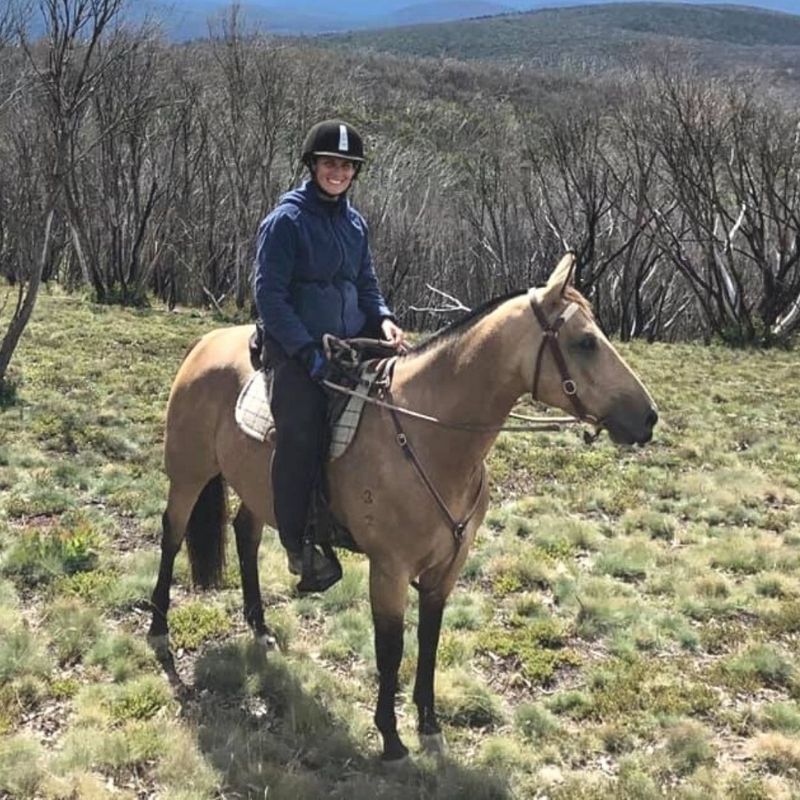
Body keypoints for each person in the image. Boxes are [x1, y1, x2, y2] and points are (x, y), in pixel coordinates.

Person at [253, 119, 404, 592]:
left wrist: (382, 318)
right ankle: (300, 546)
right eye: (329, 164)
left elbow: (366, 284)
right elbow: (269, 296)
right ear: (313, 166)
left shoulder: (355, 224)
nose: (337, 173)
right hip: (293, 347)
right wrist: (304, 352)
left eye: (346, 166)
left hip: (350, 341)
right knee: (301, 432)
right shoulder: (285, 222)